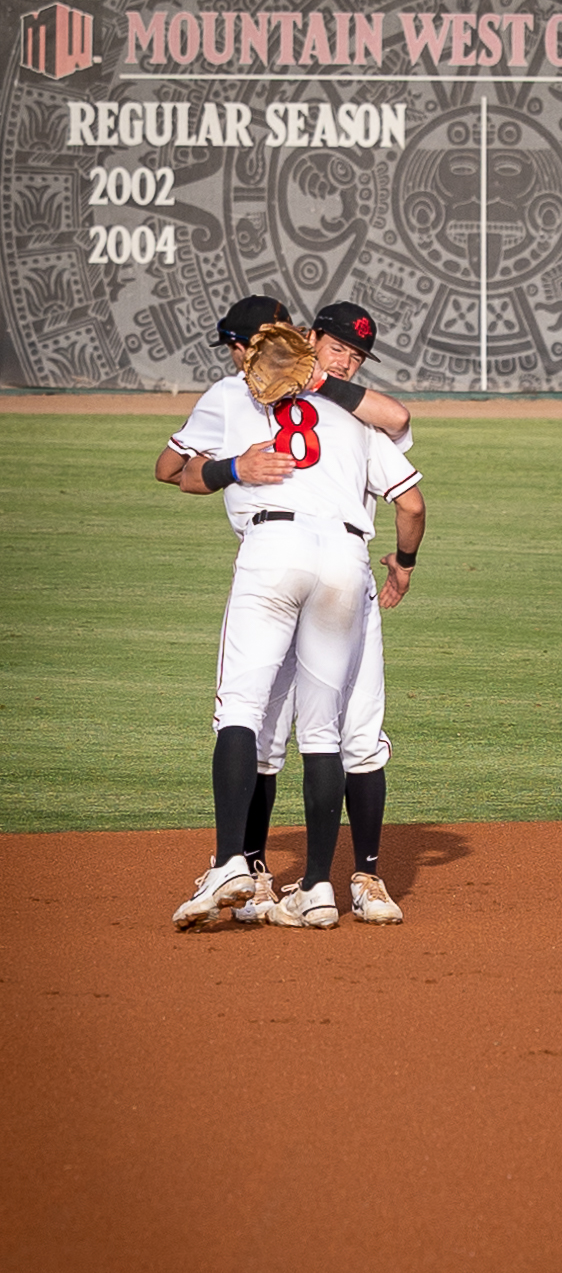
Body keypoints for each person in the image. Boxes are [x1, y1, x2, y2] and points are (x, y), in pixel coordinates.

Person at [157, 297, 425, 930]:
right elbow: (409, 500)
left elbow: (171, 471)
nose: (348, 361)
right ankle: (323, 887)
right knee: (330, 732)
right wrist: (406, 562)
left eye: (355, 356)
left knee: (246, 714)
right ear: (307, 338)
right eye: (339, 349)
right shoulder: (353, 415)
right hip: (346, 561)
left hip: (273, 551)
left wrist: (232, 466)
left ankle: (236, 864)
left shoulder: (252, 393)